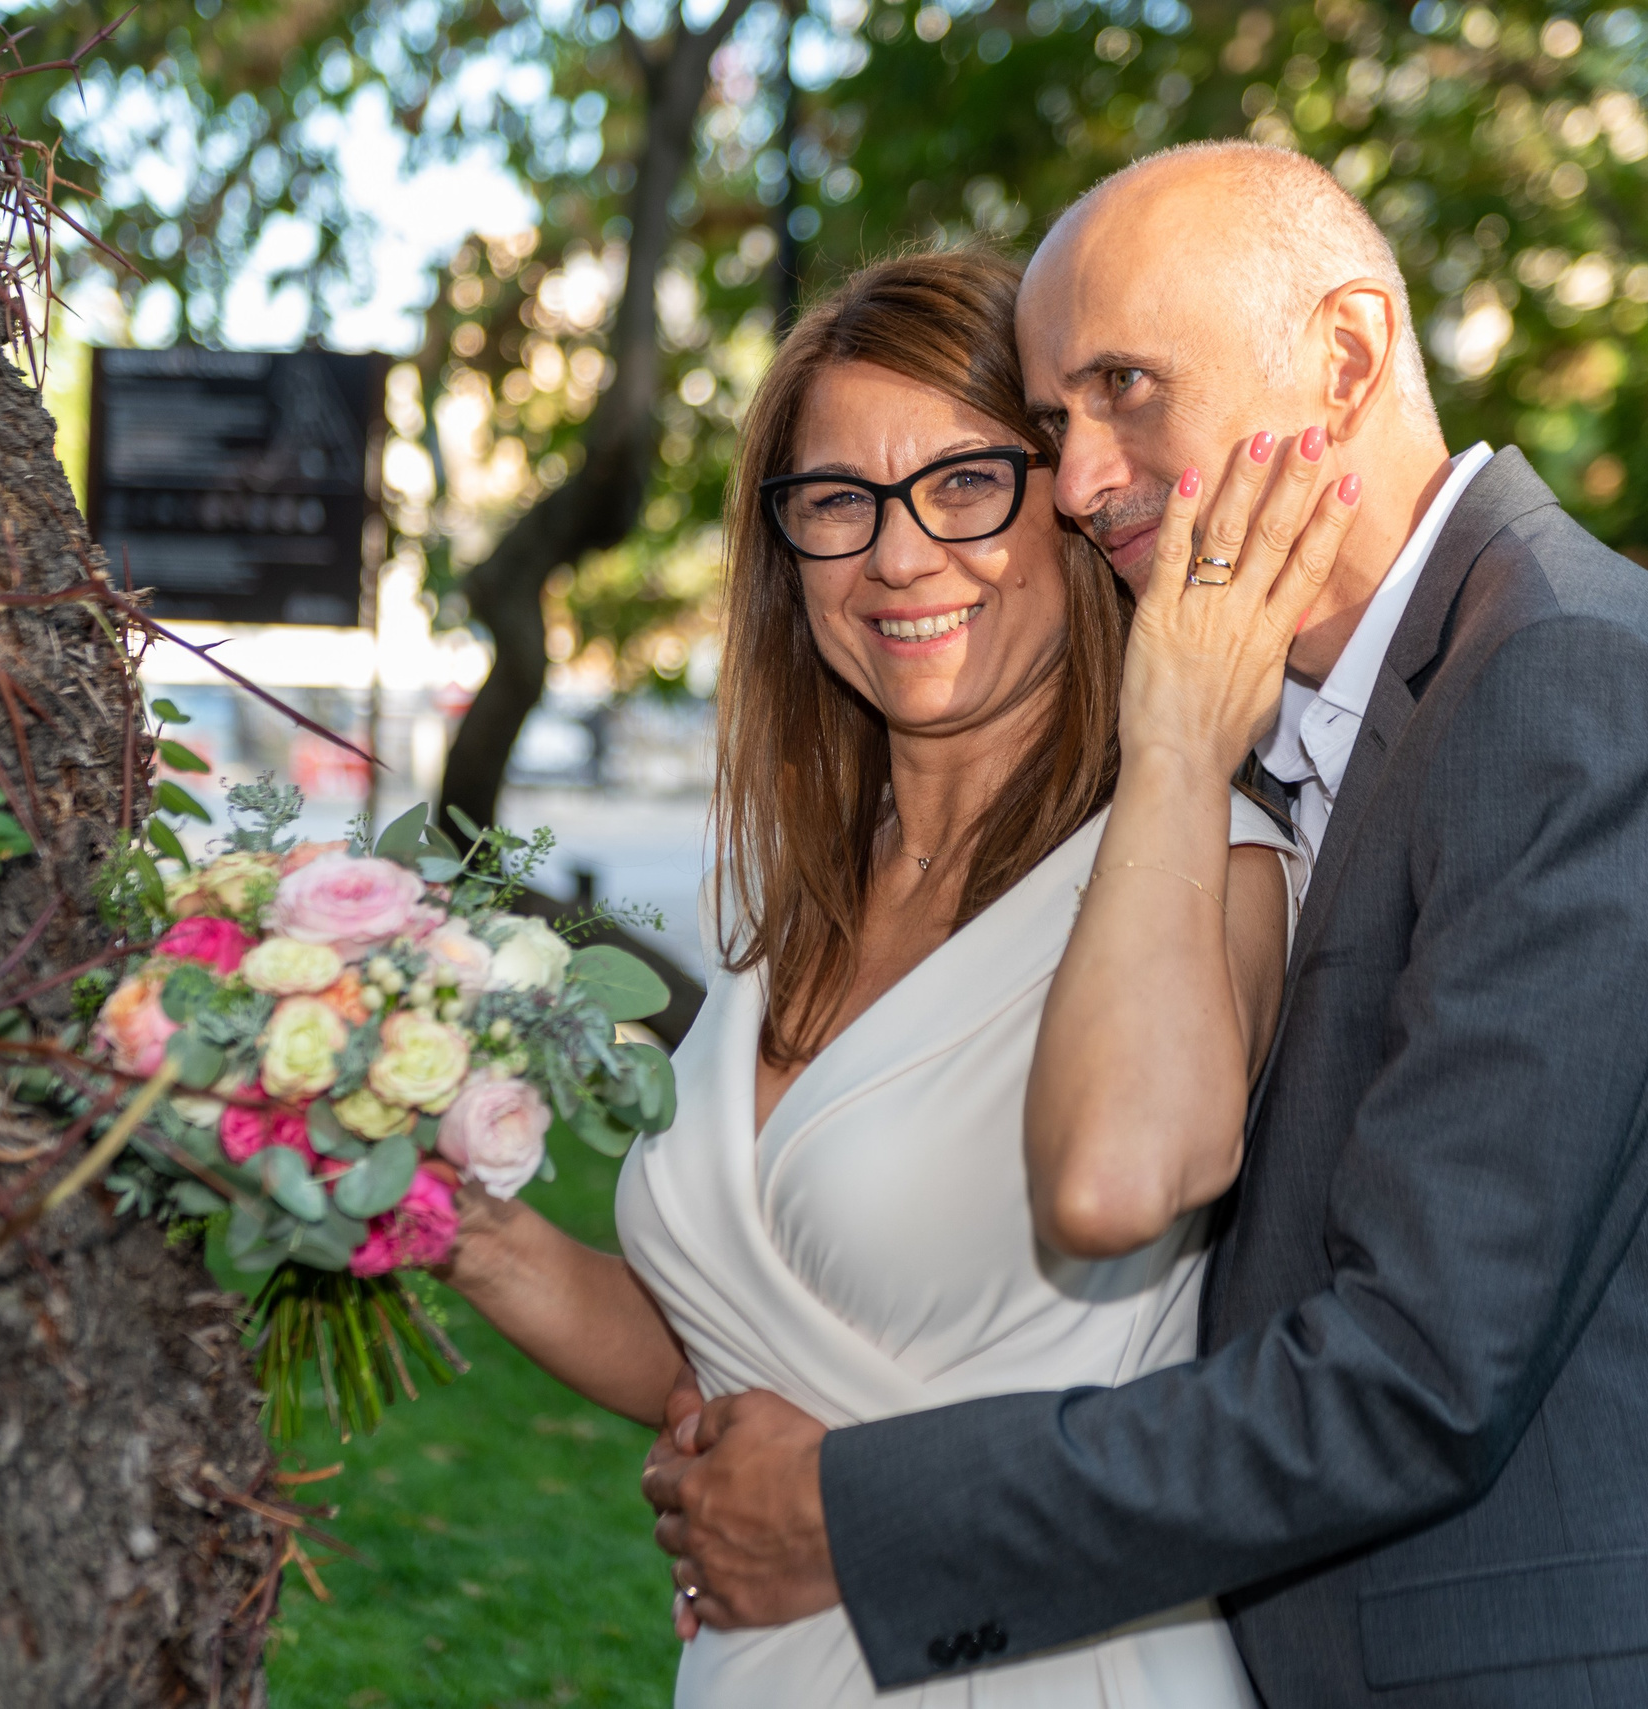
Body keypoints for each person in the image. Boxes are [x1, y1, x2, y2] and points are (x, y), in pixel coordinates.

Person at [645, 141, 1648, 1708]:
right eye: (1061, 421)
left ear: (1344, 356)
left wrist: (858, 1520)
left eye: (1129, 387)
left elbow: (1413, 1376)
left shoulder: (1571, 680)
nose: (1078, 481)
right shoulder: (1310, 710)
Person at [432, 248, 1302, 1705]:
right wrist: (452, 1216)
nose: (900, 555)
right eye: (837, 501)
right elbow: (735, 1357)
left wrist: (1176, 740)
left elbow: (1129, 1173)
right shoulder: (783, 895)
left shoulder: (1203, 859)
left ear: (1070, 499)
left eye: (966, 482)